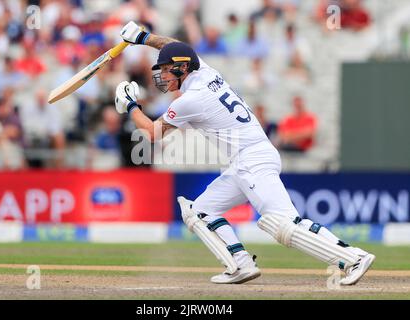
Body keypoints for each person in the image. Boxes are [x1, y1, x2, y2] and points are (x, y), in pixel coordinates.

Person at [114, 21, 375, 285]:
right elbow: (174, 46)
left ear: (183, 67)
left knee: (282, 223)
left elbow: (151, 133)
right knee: (199, 212)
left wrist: (131, 106)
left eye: (168, 70)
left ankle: (353, 257)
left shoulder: (190, 100)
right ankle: (240, 264)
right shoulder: (205, 71)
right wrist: (143, 37)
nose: (164, 76)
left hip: (253, 159)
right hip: (244, 160)